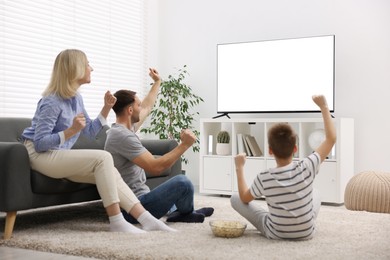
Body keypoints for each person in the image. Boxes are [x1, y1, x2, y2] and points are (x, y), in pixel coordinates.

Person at [21, 49, 176, 234]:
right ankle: (117, 221)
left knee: (109, 169)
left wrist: (106, 108)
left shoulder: (76, 98)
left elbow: (90, 131)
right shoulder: (52, 101)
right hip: (38, 154)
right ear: (75, 68)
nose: (91, 68)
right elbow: (40, 143)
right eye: (87, 64)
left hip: (57, 153)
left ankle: (146, 219)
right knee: (102, 158)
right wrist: (70, 131)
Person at [104, 69, 214, 224]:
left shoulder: (127, 129)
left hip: (141, 198)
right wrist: (184, 145)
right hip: (132, 208)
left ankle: (183, 211)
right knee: (183, 182)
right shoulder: (121, 135)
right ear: (130, 110)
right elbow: (155, 167)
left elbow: (148, 106)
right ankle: (185, 212)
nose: (141, 108)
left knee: (176, 188)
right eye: (138, 105)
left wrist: (157, 82)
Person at [230, 95, 336, 240]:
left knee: (235, 198)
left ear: (270, 151)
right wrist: (324, 107)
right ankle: (301, 222)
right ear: (295, 149)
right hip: (307, 233)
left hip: (276, 233)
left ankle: (279, 219)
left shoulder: (264, 177)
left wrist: (239, 167)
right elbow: (331, 139)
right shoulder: (307, 166)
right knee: (315, 192)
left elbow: (244, 197)